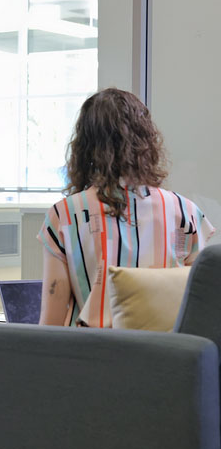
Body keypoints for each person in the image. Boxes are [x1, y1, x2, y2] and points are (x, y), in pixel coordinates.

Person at [37, 87, 214, 328]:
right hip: (167, 358)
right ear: (146, 141)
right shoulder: (186, 212)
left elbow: (52, 322)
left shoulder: (65, 215)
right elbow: (197, 310)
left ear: (85, 145)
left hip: (92, 358)